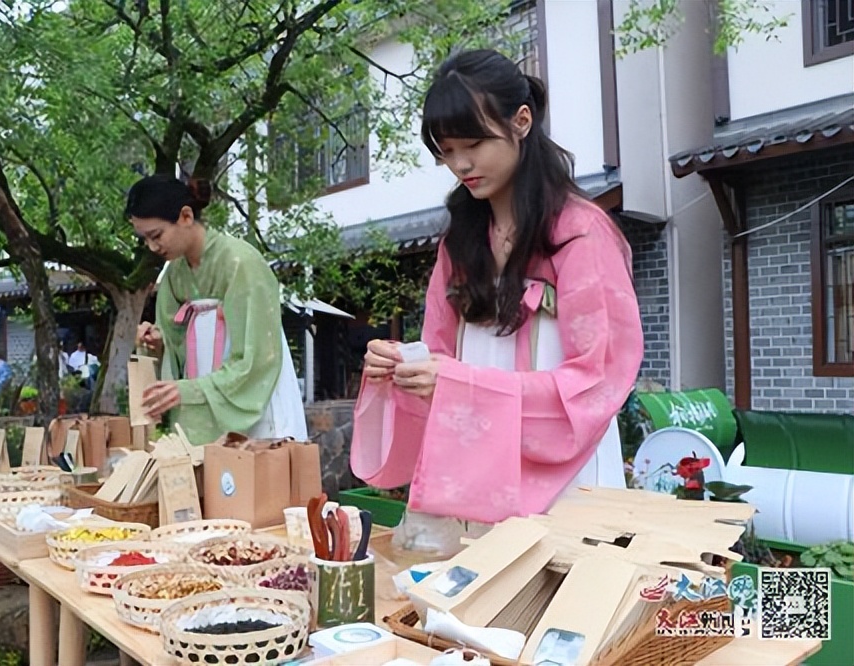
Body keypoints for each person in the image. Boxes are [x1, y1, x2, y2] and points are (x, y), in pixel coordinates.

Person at [351, 50, 644, 528]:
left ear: (522, 121)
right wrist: (397, 364)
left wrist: (466, 386)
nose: (460, 164)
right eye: (446, 151)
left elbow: (597, 381)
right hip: (476, 473)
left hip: (568, 479)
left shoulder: (580, 235)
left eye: (473, 143)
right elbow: (437, 354)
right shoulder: (459, 242)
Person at [128, 174, 307, 445]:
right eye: (146, 240)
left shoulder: (241, 262)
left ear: (186, 216)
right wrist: (156, 343)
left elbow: (256, 357)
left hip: (251, 397)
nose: (153, 247)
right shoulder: (175, 274)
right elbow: (175, 344)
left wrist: (190, 390)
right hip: (200, 396)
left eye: (156, 235)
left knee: (254, 469)